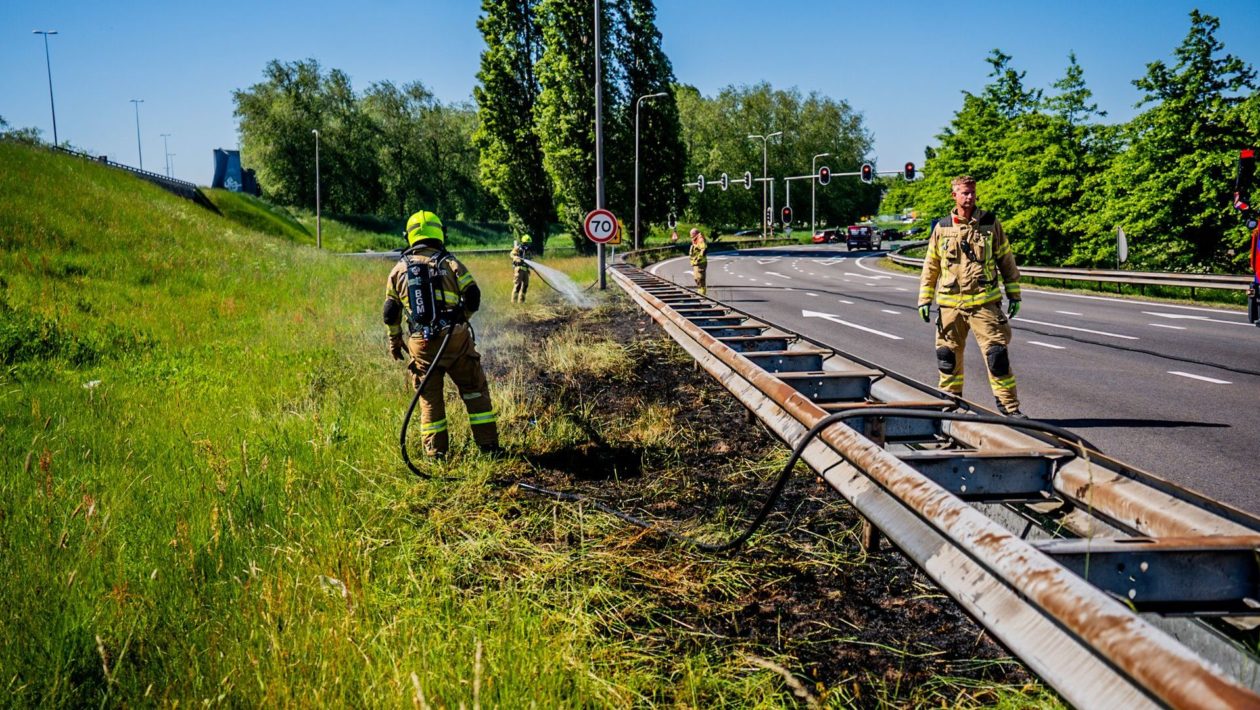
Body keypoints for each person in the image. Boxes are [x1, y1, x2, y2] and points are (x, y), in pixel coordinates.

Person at [384, 210, 500, 457]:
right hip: (455, 340)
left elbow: (390, 310)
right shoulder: (449, 263)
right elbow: (473, 296)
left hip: (421, 345)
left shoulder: (398, 270)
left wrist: (394, 339)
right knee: (474, 391)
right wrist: (461, 320)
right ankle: (489, 447)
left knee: (429, 400)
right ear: (439, 232)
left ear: (410, 236)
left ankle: (436, 454)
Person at [917, 176, 1025, 417]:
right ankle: (949, 406)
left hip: (984, 305)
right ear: (954, 195)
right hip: (950, 307)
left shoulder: (990, 223)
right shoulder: (942, 227)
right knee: (947, 359)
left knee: (997, 357)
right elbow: (931, 265)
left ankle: (1010, 409)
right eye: (964, 193)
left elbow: (1005, 258)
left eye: (972, 192)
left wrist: (1014, 293)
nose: (970, 197)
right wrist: (924, 299)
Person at [511, 235, 532, 303]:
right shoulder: (518, 248)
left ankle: (521, 302)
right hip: (519, 269)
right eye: (527, 243)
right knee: (518, 285)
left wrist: (530, 266)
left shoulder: (528, 251)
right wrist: (516, 258)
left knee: (525, 286)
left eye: (529, 243)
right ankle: (514, 302)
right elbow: (512, 254)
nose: (528, 245)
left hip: (526, 270)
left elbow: (530, 259)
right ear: (523, 242)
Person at [689, 227, 708, 295]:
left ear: (695, 233)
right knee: (696, 278)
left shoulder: (700, 239)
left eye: (691, 234)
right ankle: (699, 290)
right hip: (696, 262)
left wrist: (699, 258)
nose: (690, 235)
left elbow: (704, 249)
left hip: (701, 262)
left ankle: (703, 292)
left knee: (700, 278)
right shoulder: (695, 239)